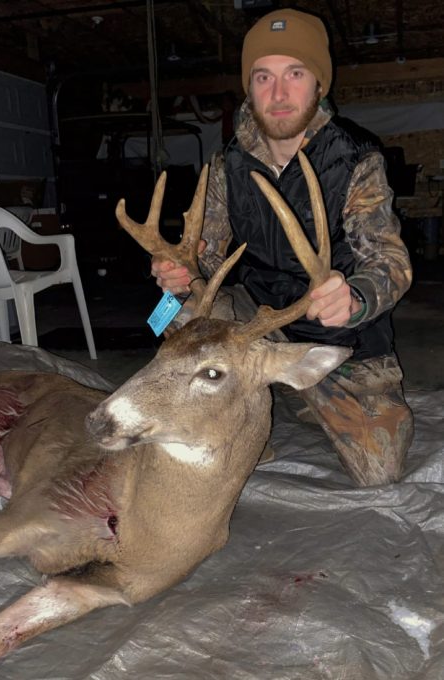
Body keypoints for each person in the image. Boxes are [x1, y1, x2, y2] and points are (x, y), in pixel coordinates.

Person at [151, 8, 414, 487]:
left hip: (335, 336)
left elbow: (389, 260)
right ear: (249, 88)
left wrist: (355, 298)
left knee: (379, 470)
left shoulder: (355, 158)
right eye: (263, 77)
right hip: (259, 323)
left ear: (319, 83)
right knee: (180, 315)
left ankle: (296, 393)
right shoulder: (228, 163)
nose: (278, 93)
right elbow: (206, 254)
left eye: (295, 74)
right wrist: (181, 273)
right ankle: (242, 421)